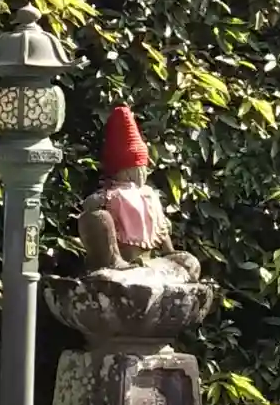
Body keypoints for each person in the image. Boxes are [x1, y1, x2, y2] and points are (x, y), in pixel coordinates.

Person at [78, 106, 203, 282]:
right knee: (98, 218)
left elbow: (161, 228)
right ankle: (114, 261)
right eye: (137, 168)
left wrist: (169, 252)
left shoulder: (148, 195)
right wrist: (99, 200)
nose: (142, 173)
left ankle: (157, 264)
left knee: (190, 263)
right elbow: (88, 205)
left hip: (149, 262)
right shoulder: (111, 194)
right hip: (122, 261)